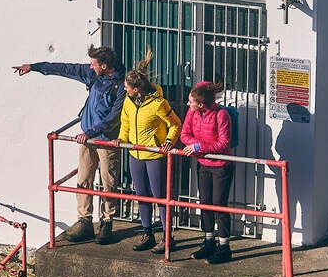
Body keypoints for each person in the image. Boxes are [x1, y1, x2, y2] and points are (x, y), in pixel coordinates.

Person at [14, 46, 124, 244]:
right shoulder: (93, 75)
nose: (90, 67)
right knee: (84, 179)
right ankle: (85, 221)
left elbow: (113, 118)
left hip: (105, 139)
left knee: (108, 181)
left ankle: (107, 222)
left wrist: (88, 133)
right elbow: (65, 68)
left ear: (104, 65)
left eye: (93, 64)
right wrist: (35, 67)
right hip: (87, 139)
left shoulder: (120, 86)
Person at [116, 65, 180, 254]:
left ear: (137, 89)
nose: (124, 88)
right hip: (135, 154)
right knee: (142, 195)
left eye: (127, 86)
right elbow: (125, 122)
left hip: (154, 155)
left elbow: (175, 124)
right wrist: (122, 139)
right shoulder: (128, 101)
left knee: (160, 196)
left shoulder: (158, 103)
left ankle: (167, 237)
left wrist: (169, 141)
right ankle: (147, 233)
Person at [175, 80, 236, 263]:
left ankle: (224, 246)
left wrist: (199, 146)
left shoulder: (221, 115)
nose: (188, 104)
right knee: (205, 203)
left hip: (221, 165)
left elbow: (224, 143)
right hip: (203, 163)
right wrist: (196, 147)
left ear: (200, 104)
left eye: (190, 101)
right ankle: (209, 241)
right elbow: (184, 134)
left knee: (219, 205)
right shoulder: (192, 113)